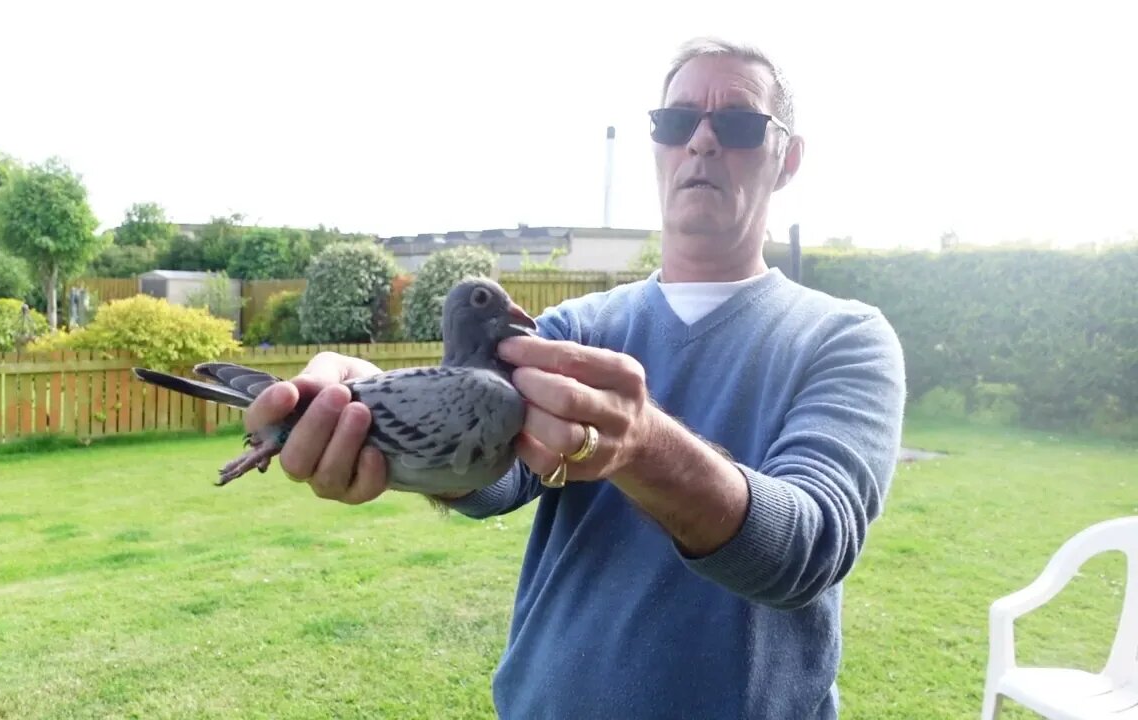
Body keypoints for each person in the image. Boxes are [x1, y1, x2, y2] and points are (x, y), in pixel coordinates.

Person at [245, 36, 906, 719]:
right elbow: (499, 476)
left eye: (737, 124)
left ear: (788, 158)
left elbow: (810, 547)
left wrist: (645, 447)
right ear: (659, 143)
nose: (701, 142)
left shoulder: (846, 339)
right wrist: (381, 426)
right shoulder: (572, 330)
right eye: (677, 122)